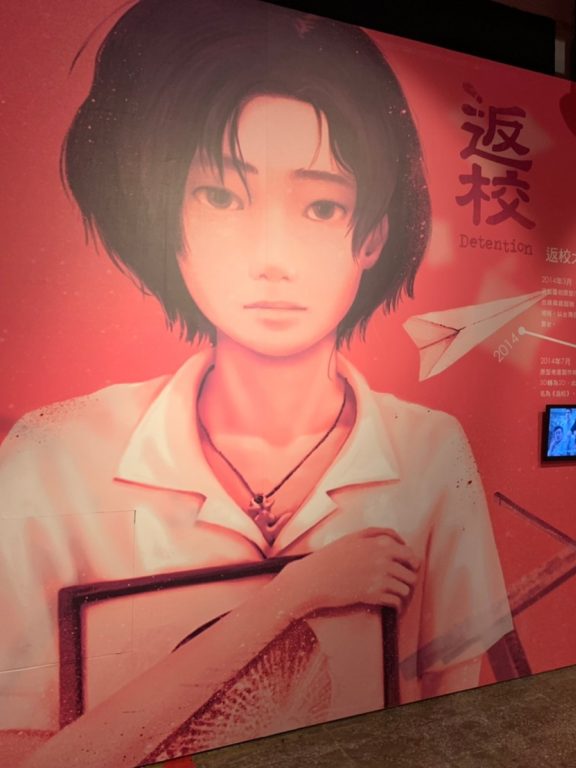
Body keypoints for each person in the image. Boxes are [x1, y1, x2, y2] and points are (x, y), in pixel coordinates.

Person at [0, 2, 511, 766]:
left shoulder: (430, 452)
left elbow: (457, 717)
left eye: (321, 206)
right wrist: (296, 593)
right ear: (164, 212)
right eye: (221, 196)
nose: (272, 257)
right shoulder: (55, 458)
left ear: (373, 234)